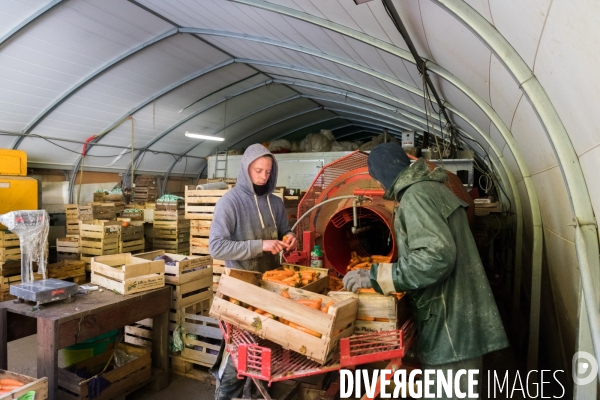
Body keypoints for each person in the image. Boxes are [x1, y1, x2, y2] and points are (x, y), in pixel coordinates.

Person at [343, 142, 508, 399]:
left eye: (377, 179)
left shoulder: (415, 197)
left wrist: (376, 276)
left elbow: (436, 257)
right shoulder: (431, 188)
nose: (380, 186)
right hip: (458, 315)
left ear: (384, 173)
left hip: (450, 325)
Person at [209, 143, 298, 399]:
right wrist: (260, 245)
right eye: (258, 170)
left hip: (271, 290)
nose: (263, 176)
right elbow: (216, 247)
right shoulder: (230, 203)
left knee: (266, 356)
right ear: (245, 169)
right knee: (238, 356)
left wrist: (290, 237)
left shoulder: (276, 203)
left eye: (268, 171)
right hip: (240, 293)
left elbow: (284, 231)